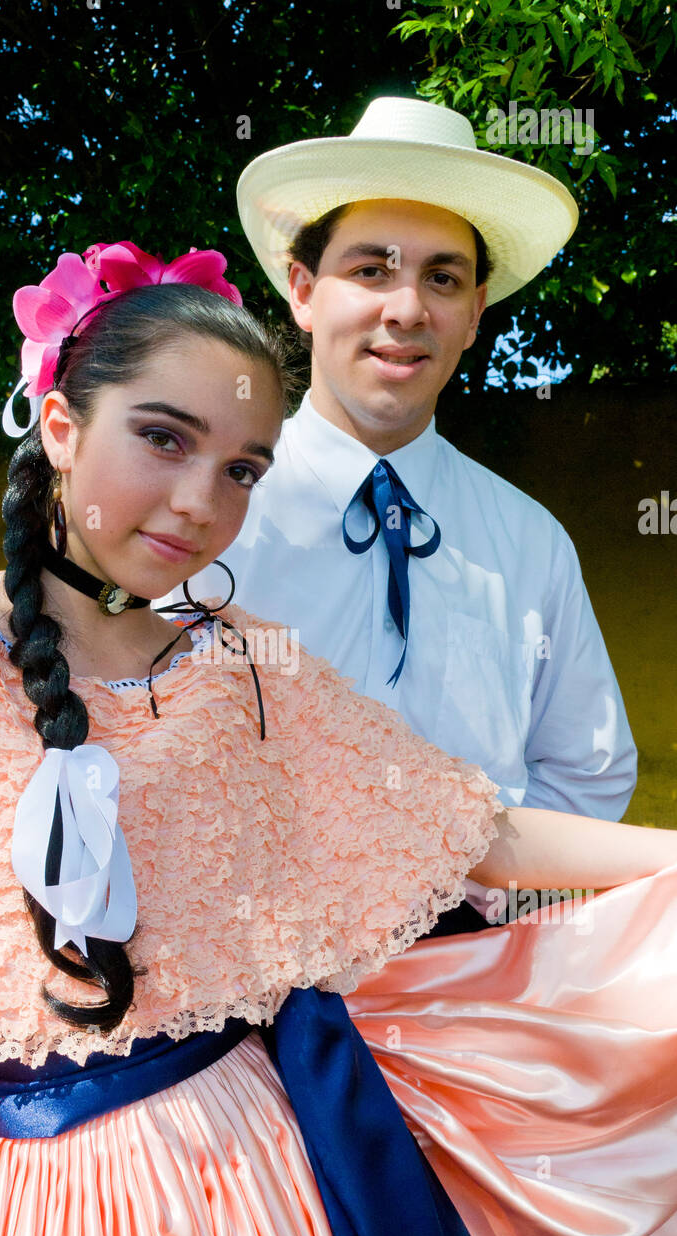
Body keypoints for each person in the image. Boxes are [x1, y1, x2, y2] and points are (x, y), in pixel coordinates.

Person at [0, 239, 676, 1236]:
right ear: (61, 423)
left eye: (238, 471)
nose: (196, 501)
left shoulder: (244, 667)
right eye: (162, 438)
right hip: (0, 1216)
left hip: (253, 1194)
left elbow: (470, 830)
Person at [169, 97, 637, 931]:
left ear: (474, 314)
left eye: (441, 278)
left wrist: (488, 918)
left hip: (477, 982)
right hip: (244, 979)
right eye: (372, 270)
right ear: (305, 292)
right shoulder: (202, 512)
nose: (406, 308)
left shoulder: (530, 540)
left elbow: (586, 771)